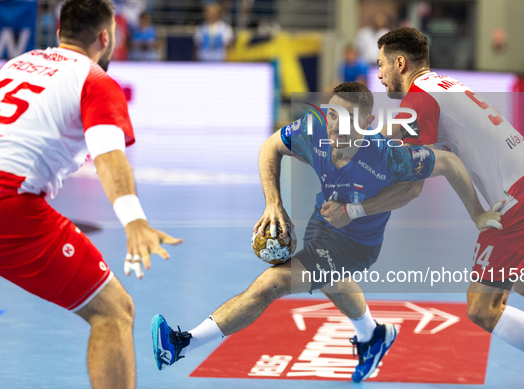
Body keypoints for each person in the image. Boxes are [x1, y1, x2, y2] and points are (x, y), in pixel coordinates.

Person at [151, 82, 501, 382]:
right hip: (324, 220)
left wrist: (477, 214)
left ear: (365, 122)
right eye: (332, 115)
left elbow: (446, 166)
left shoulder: (387, 156)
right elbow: (270, 147)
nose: (334, 125)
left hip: (357, 244)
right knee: (330, 280)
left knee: (272, 284)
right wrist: (274, 202)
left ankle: (181, 344)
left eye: (345, 119)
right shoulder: (314, 130)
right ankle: (373, 336)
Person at [323, 27, 524, 388]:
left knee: (483, 308)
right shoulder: (440, 86)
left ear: (400, 62)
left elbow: (412, 184)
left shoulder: (419, 99)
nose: (380, 73)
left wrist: (354, 209)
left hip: (518, 194)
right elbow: (396, 144)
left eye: (382, 64)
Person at [0, 0, 181, 388]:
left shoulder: (16, 65)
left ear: (61, 30)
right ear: (105, 37)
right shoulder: (95, 80)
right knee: (114, 311)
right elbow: (108, 156)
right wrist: (134, 220)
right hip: (9, 201)